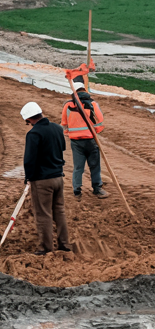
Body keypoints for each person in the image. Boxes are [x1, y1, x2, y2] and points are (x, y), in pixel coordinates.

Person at [21, 101, 69, 254]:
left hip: (42, 181)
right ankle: (64, 244)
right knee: (59, 211)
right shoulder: (57, 128)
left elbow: (29, 160)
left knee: (44, 214)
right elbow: (62, 148)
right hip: (58, 177)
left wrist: (29, 177)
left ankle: (46, 248)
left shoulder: (34, 134)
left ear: (29, 119)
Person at [61, 77, 109, 199]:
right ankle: (97, 188)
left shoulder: (67, 105)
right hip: (90, 140)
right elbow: (100, 122)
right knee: (94, 166)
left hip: (76, 142)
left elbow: (64, 123)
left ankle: (77, 191)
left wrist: (69, 133)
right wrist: (94, 132)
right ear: (84, 90)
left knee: (78, 167)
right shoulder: (92, 104)